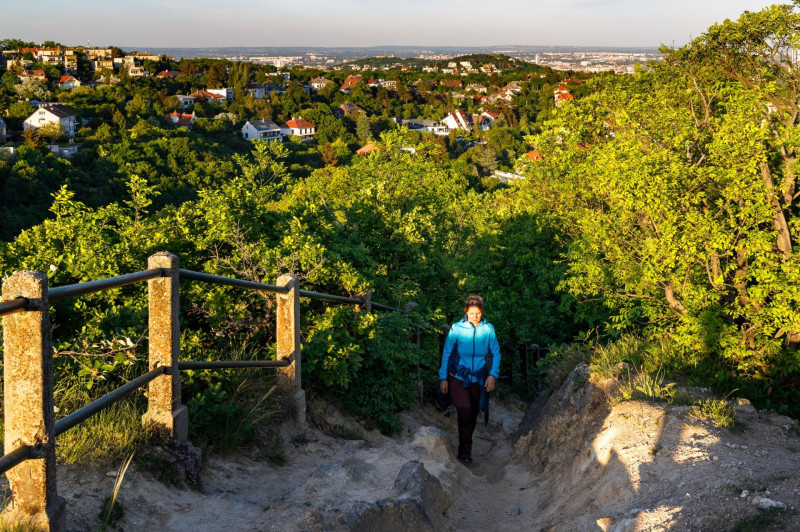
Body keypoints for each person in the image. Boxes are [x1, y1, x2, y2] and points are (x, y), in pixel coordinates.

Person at [438, 294, 501, 464]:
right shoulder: (456, 328)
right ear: (466, 312)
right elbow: (447, 353)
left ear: (482, 312)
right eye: (472, 313)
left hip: (478, 378)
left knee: (472, 414)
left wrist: (492, 375)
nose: (475, 317)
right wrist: (443, 378)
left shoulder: (488, 329)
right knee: (464, 412)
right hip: (458, 377)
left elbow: (495, 353)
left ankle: (466, 443)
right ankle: (465, 448)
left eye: (478, 313)